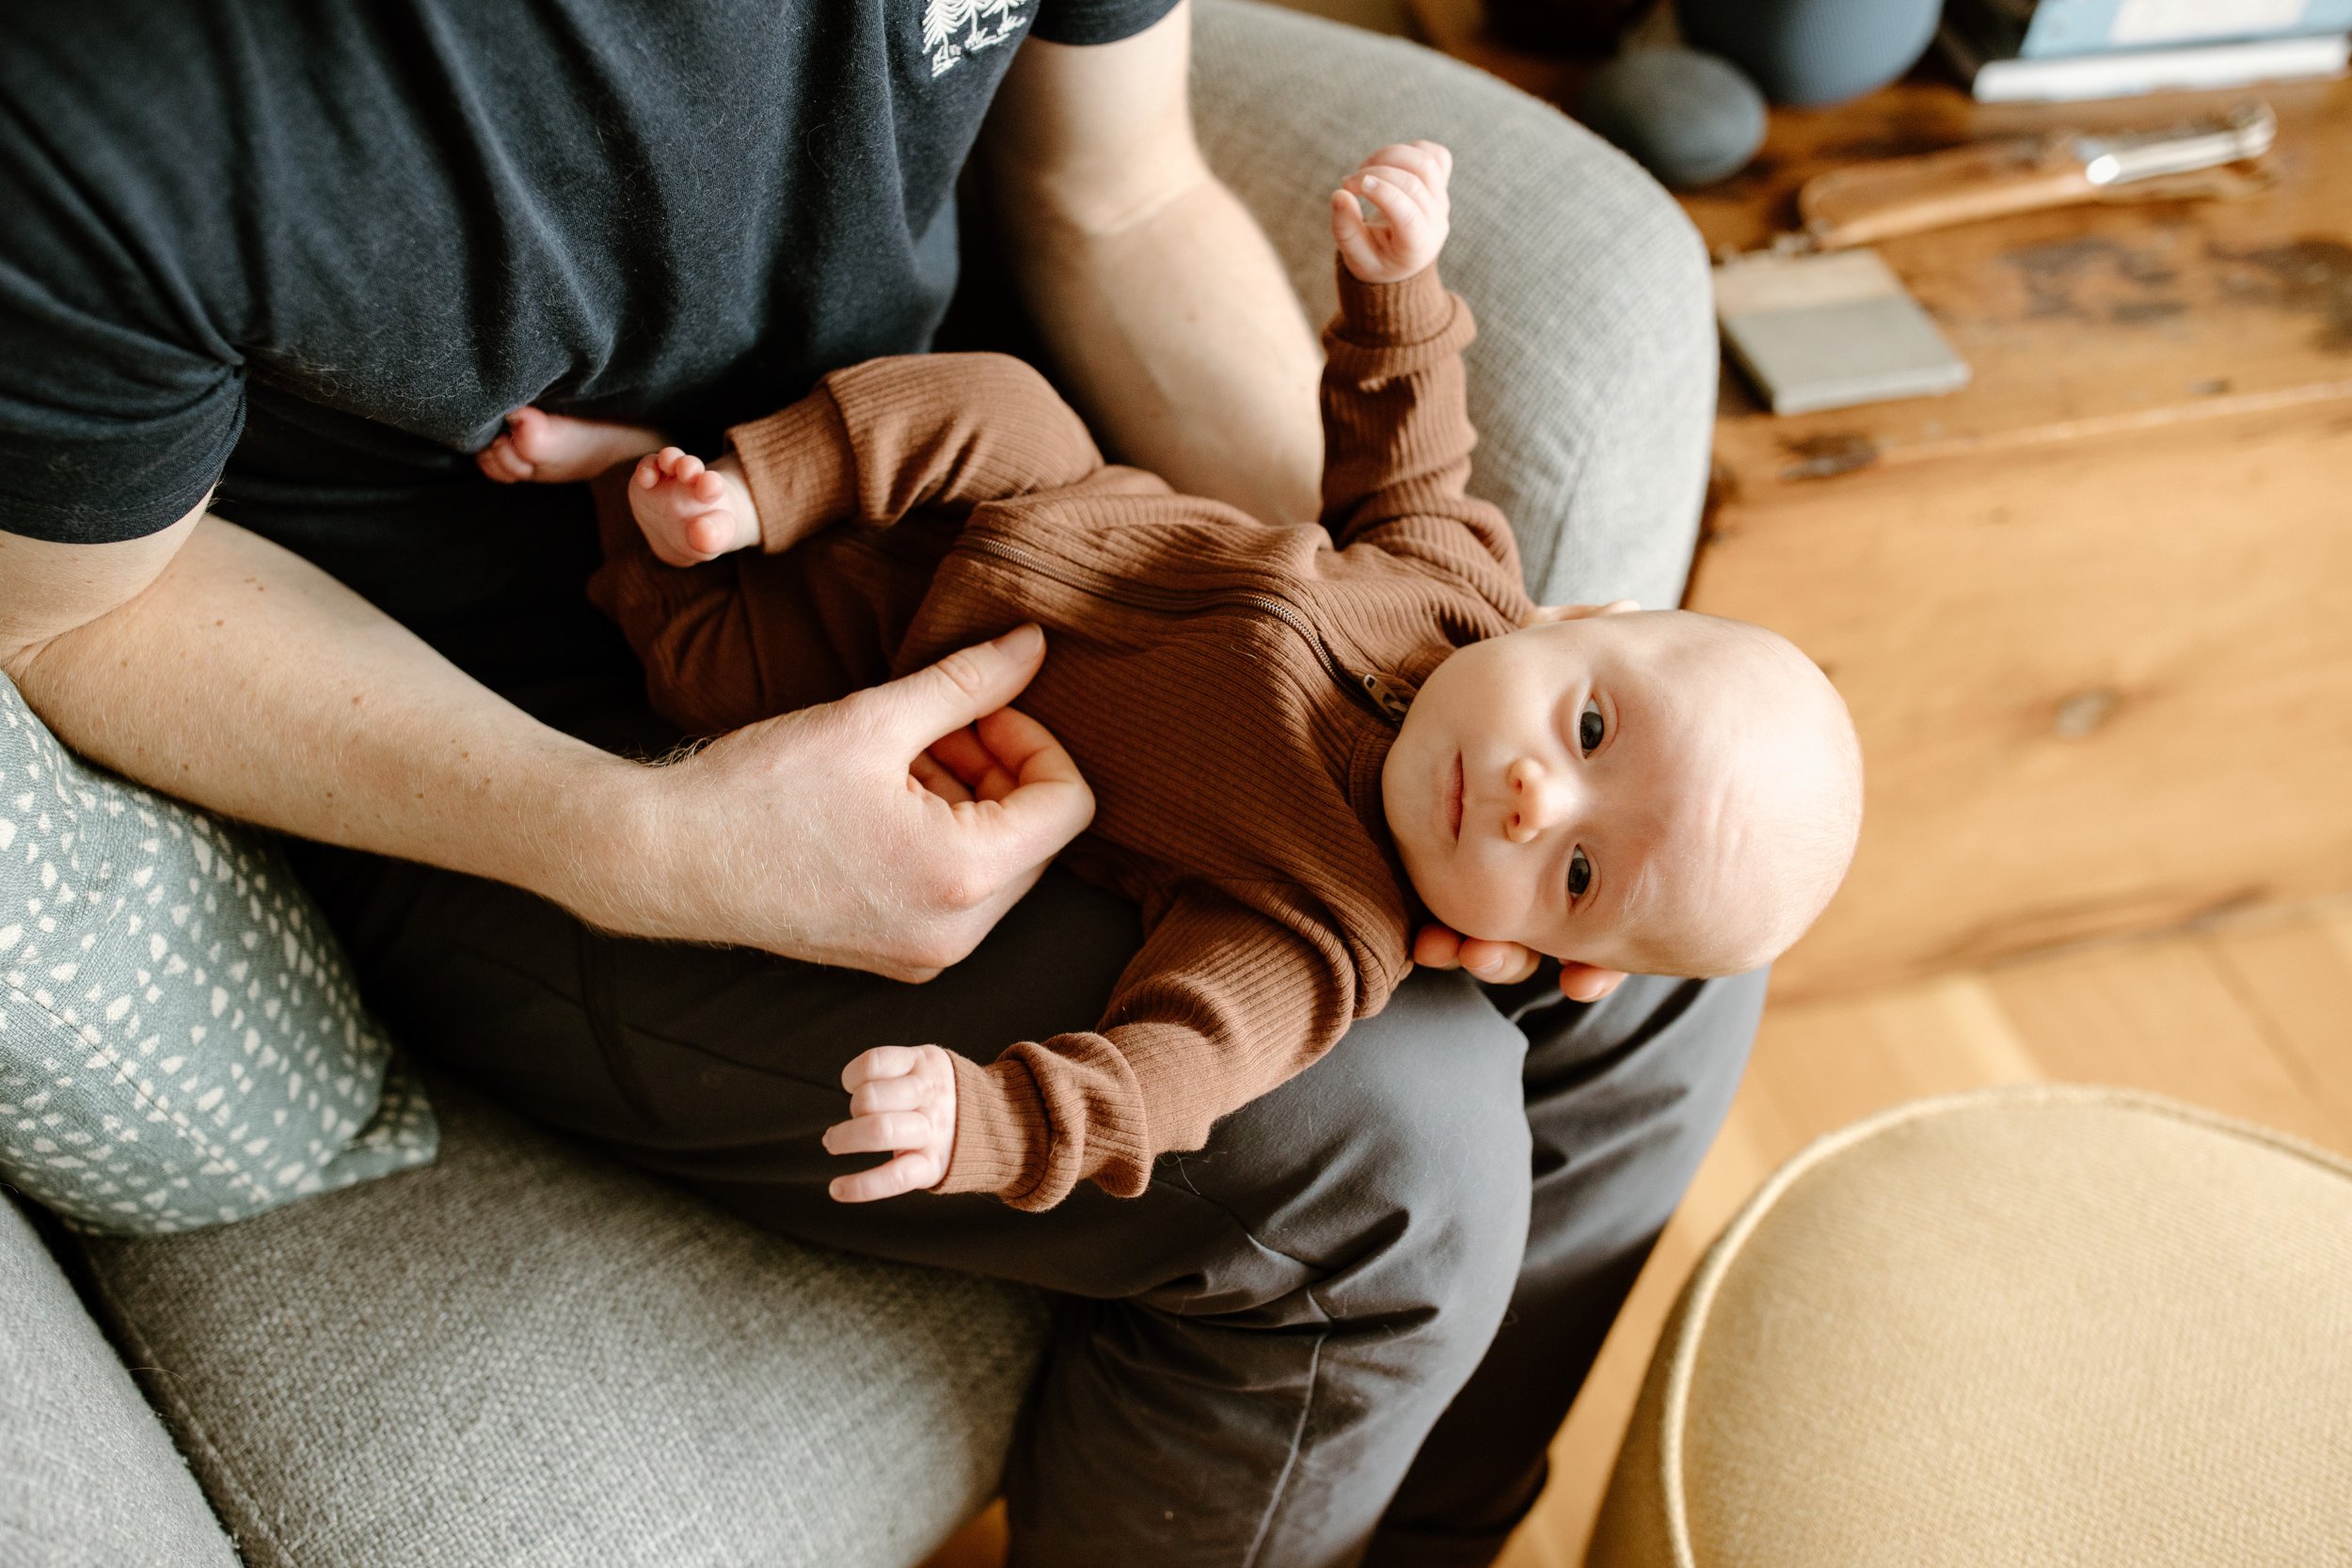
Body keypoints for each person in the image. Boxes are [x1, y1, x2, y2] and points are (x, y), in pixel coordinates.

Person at [0, 3, 1770, 1562]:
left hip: (940, 533)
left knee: (1679, 978)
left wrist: (1463, 699)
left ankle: (1430, 1534)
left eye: (1577, 844)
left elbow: (1119, 193)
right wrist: (643, 845)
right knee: (1401, 1151)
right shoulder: (122, 85)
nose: (1546, 799)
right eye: (1577, 755)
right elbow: (76, 617)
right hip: (531, 725)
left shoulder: (1418, 753)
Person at [486, 141, 1861, 1213]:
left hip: (905, 688)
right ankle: (742, 479)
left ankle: (632, 497)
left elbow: (1174, 1074)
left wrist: (994, 1127)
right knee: (1002, 403)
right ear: (1577, 615)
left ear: (1558, 962)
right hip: (1029, 497)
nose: (1527, 799)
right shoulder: (1459, 590)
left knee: (718, 687)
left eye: (1574, 874)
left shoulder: (1320, 935)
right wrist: (1399, 290)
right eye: (1592, 726)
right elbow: (1409, 452)